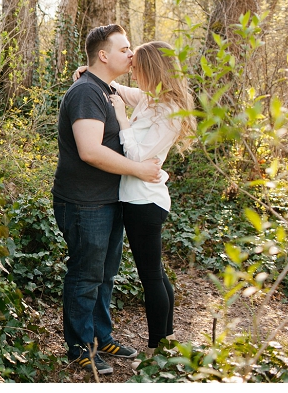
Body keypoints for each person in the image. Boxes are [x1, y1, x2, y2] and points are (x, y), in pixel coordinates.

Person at [73, 40, 195, 364]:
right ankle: (166, 339)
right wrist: (94, 75)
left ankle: (156, 351)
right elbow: (121, 91)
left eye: (138, 67)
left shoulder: (169, 111)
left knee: (151, 277)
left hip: (144, 202)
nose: (133, 71)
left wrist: (123, 120)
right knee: (158, 274)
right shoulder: (151, 99)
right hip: (138, 199)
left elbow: (139, 157)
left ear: (152, 70)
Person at [52, 24, 163, 375]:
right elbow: (89, 151)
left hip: (110, 199)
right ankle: (81, 347)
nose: (132, 54)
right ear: (103, 55)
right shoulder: (86, 92)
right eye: (125, 48)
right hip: (85, 203)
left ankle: (101, 336)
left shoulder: (103, 88)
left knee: (105, 274)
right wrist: (138, 169)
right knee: (86, 275)